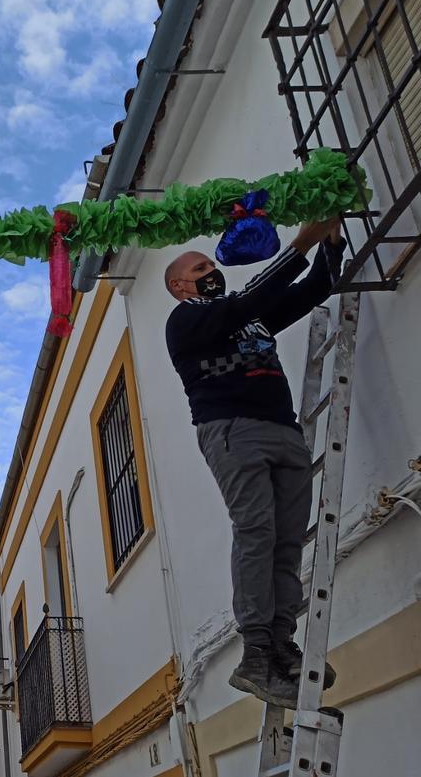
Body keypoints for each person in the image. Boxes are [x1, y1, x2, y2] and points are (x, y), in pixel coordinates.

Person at [164, 217, 343, 708]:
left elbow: (313, 290)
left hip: (283, 429)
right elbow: (245, 302)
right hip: (233, 429)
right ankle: (256, 654)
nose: (210, 271)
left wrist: (331, 241)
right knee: (256, 530)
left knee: (287, 540)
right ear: (180, 286)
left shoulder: (246, 316)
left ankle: (282, 645)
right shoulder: (186, 320)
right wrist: (299, 244)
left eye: (209, 265)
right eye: (199, 268)